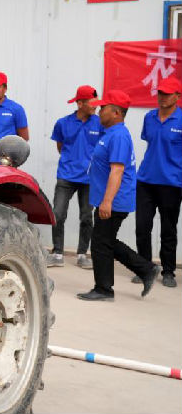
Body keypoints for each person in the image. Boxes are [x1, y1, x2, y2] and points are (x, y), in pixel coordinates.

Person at [77, 90, 159, 302]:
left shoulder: (119, 136)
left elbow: (117, 171)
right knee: (106, 241)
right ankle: (146, 269)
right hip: (111, 198)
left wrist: (107, 201)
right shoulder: (111, 133)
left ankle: (104, 289)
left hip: (114, 200)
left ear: (115, 112)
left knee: (100, 243)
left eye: (103, 108)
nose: (99, 111)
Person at [47, 85, 103, 269]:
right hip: (66, 176)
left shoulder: (100, 123)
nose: (95, 105)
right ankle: (57, 253)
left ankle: (82, 254)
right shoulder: (63, 123)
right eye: (91, 102)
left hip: (89, 179)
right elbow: (60, 147)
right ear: (80, 103)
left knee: (87, 217)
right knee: (58, 213)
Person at [133, 78, 182, 288]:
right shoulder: (149, 117)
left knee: (168, 229)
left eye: (167, 93)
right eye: (160, 93)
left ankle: (168, 271)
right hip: (146, 180)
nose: (162, 97)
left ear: (178, 96)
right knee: (142, 226)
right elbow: (150, 143)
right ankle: (145, 268)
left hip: (172, 182)